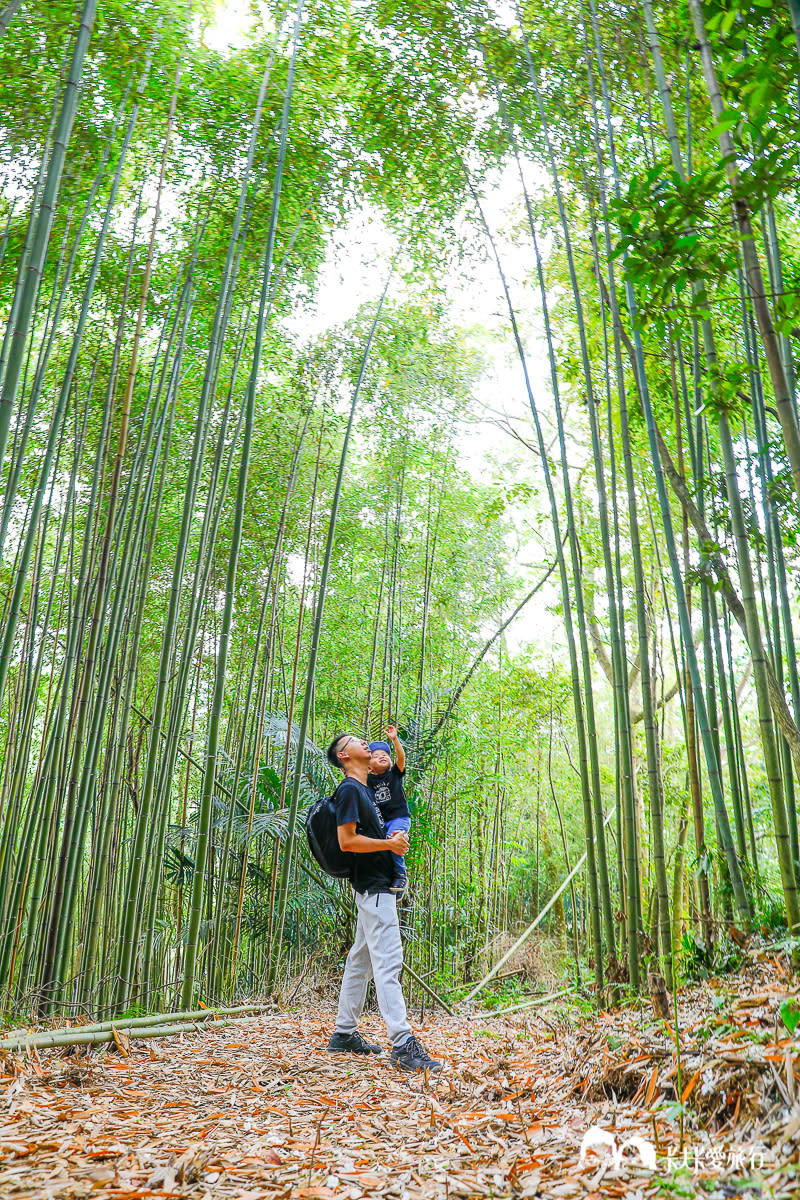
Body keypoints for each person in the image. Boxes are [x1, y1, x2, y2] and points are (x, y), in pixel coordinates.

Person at [325, 732, 441, 1073]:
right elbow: (347, 842)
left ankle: (344, 1033)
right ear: (344, 756)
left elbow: (369, 837)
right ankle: (403, 1044)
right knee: (388, 963)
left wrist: (393, 840)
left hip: (372, 889)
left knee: (360, 962)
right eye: (355, 741)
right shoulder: (349, 789)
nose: (364, 742)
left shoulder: (365, 791)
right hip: (375, 890)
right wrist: (388, 848)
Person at [368, 724, 410, 893]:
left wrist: (394, 740)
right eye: (376, 756)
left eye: (385, 755)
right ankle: (389, 878)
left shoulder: (394, 774)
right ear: (369, 766)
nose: (382, 756)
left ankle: (401, 874)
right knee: (380, 846)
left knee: (393, 839)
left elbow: (401, 758)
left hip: (399, 818)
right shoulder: (367, 780)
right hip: (380, 821)